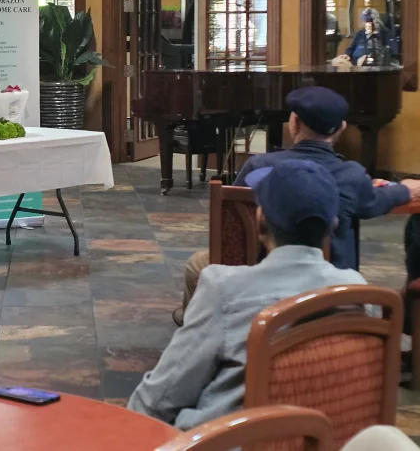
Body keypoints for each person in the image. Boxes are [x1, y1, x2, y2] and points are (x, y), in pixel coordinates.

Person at [128, 159, 368, 430]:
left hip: (227, 440)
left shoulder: (224, 290)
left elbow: (160, 397)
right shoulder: (358, 292)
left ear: (260, 220)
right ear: (332, 225)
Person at [174, 85, 420, 324]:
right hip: (330, 282)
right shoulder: (351, 176)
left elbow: (231, 221)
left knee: (197, 264)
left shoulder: (258, 167)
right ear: (341, 128)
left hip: (258, 268)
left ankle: (197, 321)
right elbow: (375, 202)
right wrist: (404, 189)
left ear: (294, 123)